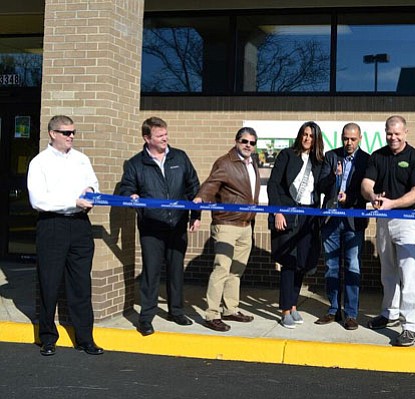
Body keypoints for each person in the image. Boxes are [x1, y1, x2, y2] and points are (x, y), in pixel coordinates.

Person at [27, 115, 104, 356]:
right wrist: (73, 200)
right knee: (49, 282)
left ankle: (85, 338)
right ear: (52, 133)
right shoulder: (39, 163)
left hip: (80, 225)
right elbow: (38, 199)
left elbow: (93, 183)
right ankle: (47, 337)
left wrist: (91, 191)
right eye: (66, 133)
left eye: (73, 133)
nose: (71, 136)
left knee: (81, 283)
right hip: (52, 226)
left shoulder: (82, 159)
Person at [119, 116, 201, 336]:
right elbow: (126, 188)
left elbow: (194, 186)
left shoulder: (180, 157)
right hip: (151, 227)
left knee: (176, 271)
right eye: (160, 136)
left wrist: (196, 215)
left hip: (177, 224)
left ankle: (176, 311)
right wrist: (131, 196)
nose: (165, 138)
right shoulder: (137, 163)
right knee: (151, 272)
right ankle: (146, 318)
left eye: (166, 134)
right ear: (147, 138)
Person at [361, 115, 415, 347]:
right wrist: (373, 196)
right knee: (387, 270)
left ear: (406, 133)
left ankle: (410, 325)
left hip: (407, 220)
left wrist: (393, 203)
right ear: (385, 132)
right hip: (383, 221)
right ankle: (389, 313)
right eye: (390, 133)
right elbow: (366, 184)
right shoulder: (377, 156)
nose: (393, 137)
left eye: (397, 133)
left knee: (408, 273)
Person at [194, 127, 261, 332]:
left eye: (252, 142)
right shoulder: (225, 162)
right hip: (226, 224)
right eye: (244, 141)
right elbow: (211, 185)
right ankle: (212, 314)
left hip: (245, 225)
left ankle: (230, 308)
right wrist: (200, 200)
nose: (248, 145)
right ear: (236, 141)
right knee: (221, 269)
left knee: (236, 271)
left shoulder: (253, 162)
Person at [267, 121, 324, 329]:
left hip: (308, 218)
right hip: (288, 215)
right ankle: (284, 310)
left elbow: (323, 186)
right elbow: (273, 184)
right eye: (305, 134)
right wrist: (278, 212)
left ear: (317, 139)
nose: (307, 138)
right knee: (289, 263)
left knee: (301, 263)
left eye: (311, 136)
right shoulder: (287, 155)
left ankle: (293, 305)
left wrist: (335, 175)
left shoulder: (319, 162)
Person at [314, 123, 370, 330]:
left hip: (353, 221)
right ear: (341, 138)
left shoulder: (366, 160)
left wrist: (351, 197)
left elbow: (368, 191)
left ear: (360, 138)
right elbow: (320, 186)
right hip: (331, 220)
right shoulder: (331, 156)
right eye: (346, 139)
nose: (349, 143)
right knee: (331, 267)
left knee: (353, 266)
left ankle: (351, 314)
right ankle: (333, 309)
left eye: (353, 139)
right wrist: (333, 177)